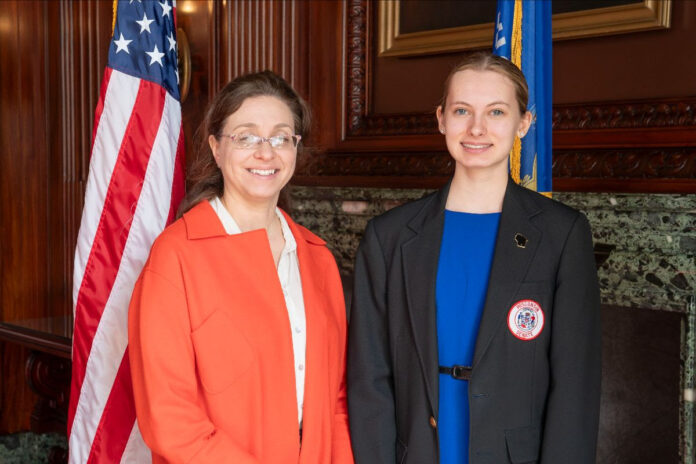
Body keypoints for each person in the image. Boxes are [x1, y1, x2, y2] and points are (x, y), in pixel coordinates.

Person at [347, 52, 601, 463]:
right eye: (462, 110)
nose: (477, 128)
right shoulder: (388, 236)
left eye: (496, 112)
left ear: (523, 123)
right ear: (441, 119)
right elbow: (369, 379)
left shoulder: (561, 234)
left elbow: (576, 385)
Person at [129, 71, 354, 464]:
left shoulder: (318, 258)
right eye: (246, 137)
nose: (266, 153)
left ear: (296, 148)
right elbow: (169, 416)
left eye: (281, 137)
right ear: (217, 148)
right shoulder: (176, 256)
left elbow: (336, 401)